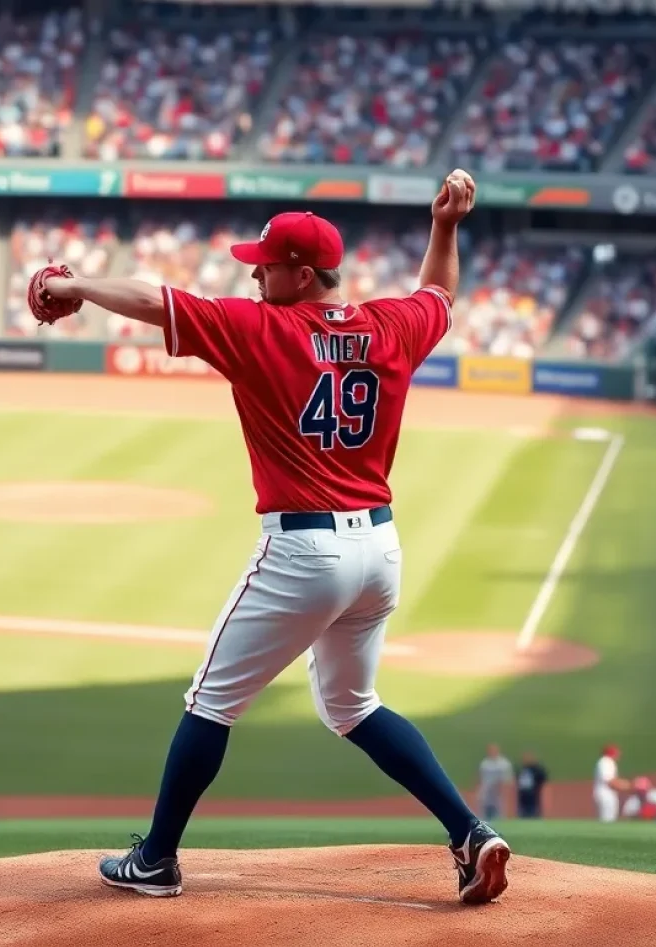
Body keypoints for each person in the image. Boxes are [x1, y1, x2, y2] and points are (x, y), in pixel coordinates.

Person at [34, 171, 512, 905]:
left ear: (301, 272)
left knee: (211, 700)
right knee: (353, 706)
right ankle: (471, 833)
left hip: (304, 552)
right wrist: (445, 227)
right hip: (379, 553)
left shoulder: (262, 328)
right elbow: (440, 294)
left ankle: (157, 860)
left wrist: (75, 288)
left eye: (265, 264)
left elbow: (156, 298)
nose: (254, 273)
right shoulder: (391, 325)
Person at [593, 744, 630, 822]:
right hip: (606, 795)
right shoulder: (606, 762)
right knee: (607, 820)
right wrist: (627, 786)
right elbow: (610, 781)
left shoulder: (606, 762)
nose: (619, 755)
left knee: (608, 819)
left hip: (606, 794)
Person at [476, 743, 514, 820]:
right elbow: (480, 777)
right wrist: (479, 789)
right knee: (484, 812)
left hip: (498, 792)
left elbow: (508, 779)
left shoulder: (504, 764)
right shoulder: (485, 763)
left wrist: (503, 790)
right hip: (486, 790)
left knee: (499, 812)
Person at [515, 751, 549, 819]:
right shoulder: (522, 769)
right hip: (523, 793)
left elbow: (542, 777)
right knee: (523, 809)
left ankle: (535, 816)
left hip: (532, 793)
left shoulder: (537, 769)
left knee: (533, 808)